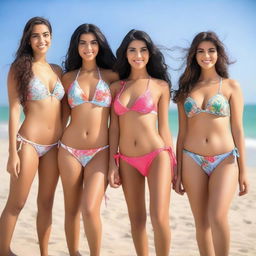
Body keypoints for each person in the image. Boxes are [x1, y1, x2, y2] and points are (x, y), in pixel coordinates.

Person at [174, 31, 249, 256]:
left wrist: (243, 170)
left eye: (211, 50)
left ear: (219, 54)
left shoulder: (231, 86)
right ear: (194, 55)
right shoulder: (186, 89)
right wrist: (177, 171)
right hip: (191, 159)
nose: (206, 55)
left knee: (217, 216)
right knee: (201, 223)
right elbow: (182, 132)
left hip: (224, 159)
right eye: (201, 51)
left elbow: (237, 128)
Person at [108, 29, 176, 256]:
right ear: (125, 54)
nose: (138, 55)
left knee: (159, 217)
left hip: (157, 155)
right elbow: (114, 128)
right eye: (133, 50)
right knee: (136, 220)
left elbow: (165, 128)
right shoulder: (117, 87)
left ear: (150, 53)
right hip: (126, 159)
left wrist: (174, 165)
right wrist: (111, 164)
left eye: (143, 50)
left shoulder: (160, 86)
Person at [0, 17, 64, 256]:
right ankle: (4, 250)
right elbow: (15, 109)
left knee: (46, 204)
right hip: (28, 143)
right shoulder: (19, 68)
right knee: (17, 202)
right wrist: (11, 154)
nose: (41, 40)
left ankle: (44, 253)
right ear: (28, 39)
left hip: (55, 146)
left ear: (51, 37)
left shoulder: (57, 70)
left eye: (46, 34)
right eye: (36, 35)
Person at [58, 23, 118, 256]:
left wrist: (117, 157)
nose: (88, 47)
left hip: (100, 151)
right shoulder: (68, 78)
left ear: (100, 45)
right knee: (71, 209)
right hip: (68, 150)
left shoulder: (112, 77)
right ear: (76, 46)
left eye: (93, 42)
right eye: (82, 43)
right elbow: (61, 118)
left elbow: (122, 116)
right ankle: (74, 253)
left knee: (91, 209)